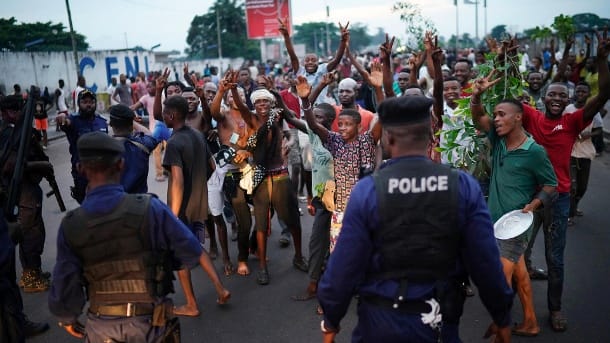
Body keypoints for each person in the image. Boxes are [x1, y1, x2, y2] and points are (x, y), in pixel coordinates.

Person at [317, 96, 513, 342]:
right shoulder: (462, 186)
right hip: (438, 319)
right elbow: (486, 261)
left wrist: (331, 321)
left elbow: (343, 265)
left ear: (388, 138)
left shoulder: (367, 190)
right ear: (431, 135)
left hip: (380, 323)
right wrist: (501, 314)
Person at [472, 30, 610, 332]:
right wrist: (506, 56)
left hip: (557, 198)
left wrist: (601, 61)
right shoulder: (530, 117)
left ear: (569, 99)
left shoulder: (573, 121)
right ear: (542, 99)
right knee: (520, 253)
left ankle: (555, 310)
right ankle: (525, 318)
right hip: (525, 201)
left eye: (563, 95)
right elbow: (510, 94)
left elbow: (604, 93)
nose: (558, 99)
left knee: (555, 257)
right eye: (553, 94)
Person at [48, 132, 205, 342]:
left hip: (101, 328)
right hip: (149, 324)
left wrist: (68, 319)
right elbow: (191, 253)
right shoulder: (151, 209)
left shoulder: (72, 224)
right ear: (121, 164)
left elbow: (64, 290)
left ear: (80, 169)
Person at [471, 94, 558, 337]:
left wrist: (534, 204)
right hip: (496, 223)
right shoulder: (498, 142)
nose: (496, 119)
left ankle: (501, 331)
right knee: (520, 276)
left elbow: (552, 184)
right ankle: (531, 321)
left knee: (499, 285)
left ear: (518, 118)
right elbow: (478, 116)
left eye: (501, 114)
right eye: (495, 114)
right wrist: (477, 96)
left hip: (515, 227)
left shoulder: (534, 152)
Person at [161, 95, 230, 316]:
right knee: (196, 248)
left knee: (181, 257)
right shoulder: (198, 135)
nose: (163, 117)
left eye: (164, 113)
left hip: (181, 208)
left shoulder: (173, 143)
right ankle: (221, 288)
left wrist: (172, 216)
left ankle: (191, 304)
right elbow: (212, 165)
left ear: (171, 116)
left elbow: (178, 182)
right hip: (199, 204)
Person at [57, 89, 108, 204]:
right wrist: (62, 118)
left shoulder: (102, 122)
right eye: (85, 102)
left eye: (91, 102)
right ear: (79, 104)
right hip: (82, 174)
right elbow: (65, 122)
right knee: (87, 209)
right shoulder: (73, 120)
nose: (88, 105)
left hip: (102, 173)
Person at [566, 82, 603, 225]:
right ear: (575, 92)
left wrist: (589, 134)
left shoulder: (593, 110)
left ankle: (574, 206)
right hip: (570, 151)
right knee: (572, 186)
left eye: (584, 92)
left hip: (586, 152)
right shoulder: (568, 109)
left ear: (588, 94)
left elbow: (599, 129)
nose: (581, 94)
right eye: (578, 91)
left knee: (582, 187)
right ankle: (569, 213)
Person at [108, 104, 158, 194]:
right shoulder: (143, 145)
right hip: (139, 202)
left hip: (114, 202)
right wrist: (133, 122)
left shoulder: (104, 149)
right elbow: (149, 134)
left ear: (111, 124)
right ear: (131, 126)